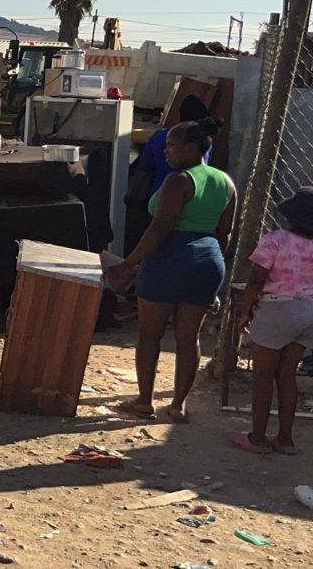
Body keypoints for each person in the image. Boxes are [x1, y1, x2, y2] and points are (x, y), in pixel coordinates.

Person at [110, 118, 236, 423]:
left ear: (191, 148)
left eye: (172, 145)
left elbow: (159, 228)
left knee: (149, 334)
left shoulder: (178, 181)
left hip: (169, 260)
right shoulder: (226, 182)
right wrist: (213, 269)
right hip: (209, 262)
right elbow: (225, 232)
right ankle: (179, 405)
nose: (166, 151)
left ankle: (144, 401)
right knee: (188, 338)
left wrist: (128, 264)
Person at [231, 186, 313, 455]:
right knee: (287, 377)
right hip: (307, 312)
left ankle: (257, 438)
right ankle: (285, 440)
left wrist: (246, 311)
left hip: (275, 310)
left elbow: (256, 279)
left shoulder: (275, 240)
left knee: (263, 377)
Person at [137, 95, 211, 198]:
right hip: (194, 195)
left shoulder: (160, 136)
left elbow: (145, 164)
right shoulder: (203, 141)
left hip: (158, 193)